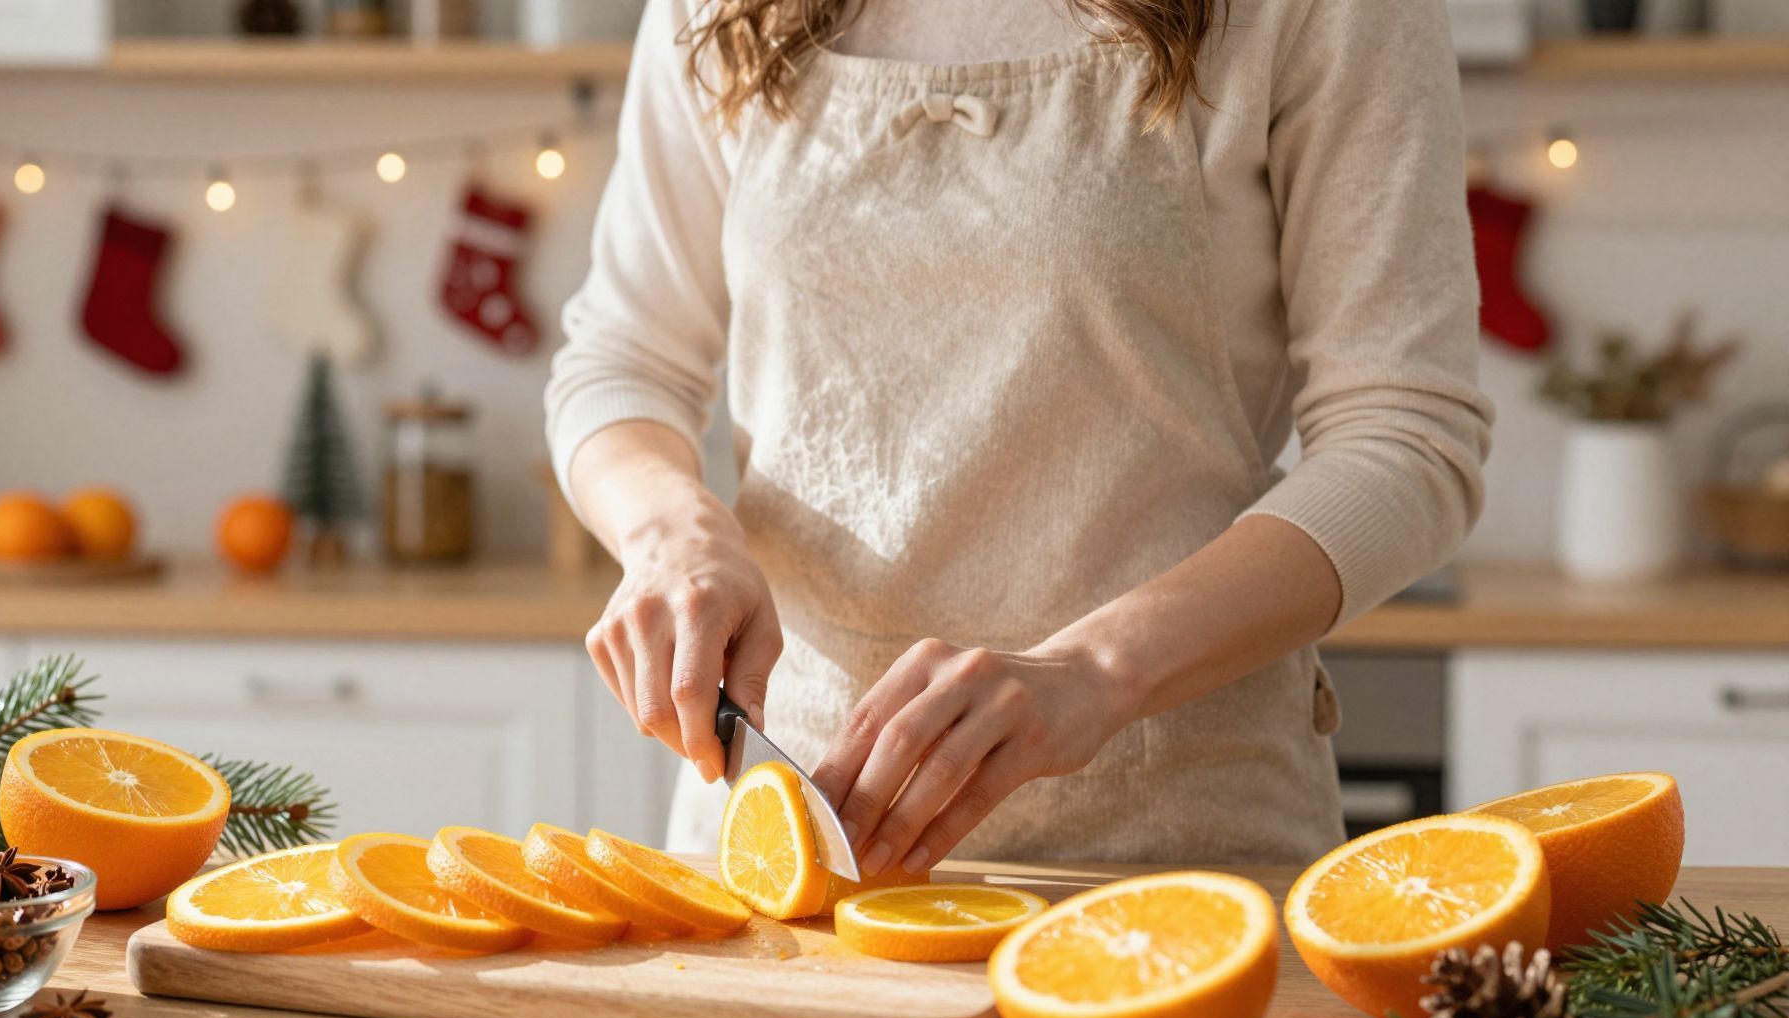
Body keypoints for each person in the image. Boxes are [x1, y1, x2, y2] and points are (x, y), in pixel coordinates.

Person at [545, 0, 1493, 872]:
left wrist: (1092, 672)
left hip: (1171, 847)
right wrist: (671, 536)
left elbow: (1406, 433)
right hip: (794, 832)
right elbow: (622, 360)